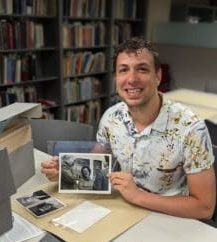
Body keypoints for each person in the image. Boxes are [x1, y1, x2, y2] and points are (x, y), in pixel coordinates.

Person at [41, 36, 216, 220]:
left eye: (142, 69)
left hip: (170, 220)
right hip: (123, 212)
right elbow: (97, 165)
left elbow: (204, 208)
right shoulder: (111, 117)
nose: (131, 79)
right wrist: (67, 172)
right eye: (123, 70)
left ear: (158, 76)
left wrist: (138, 196)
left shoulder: (190, 128)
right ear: (117, 78)